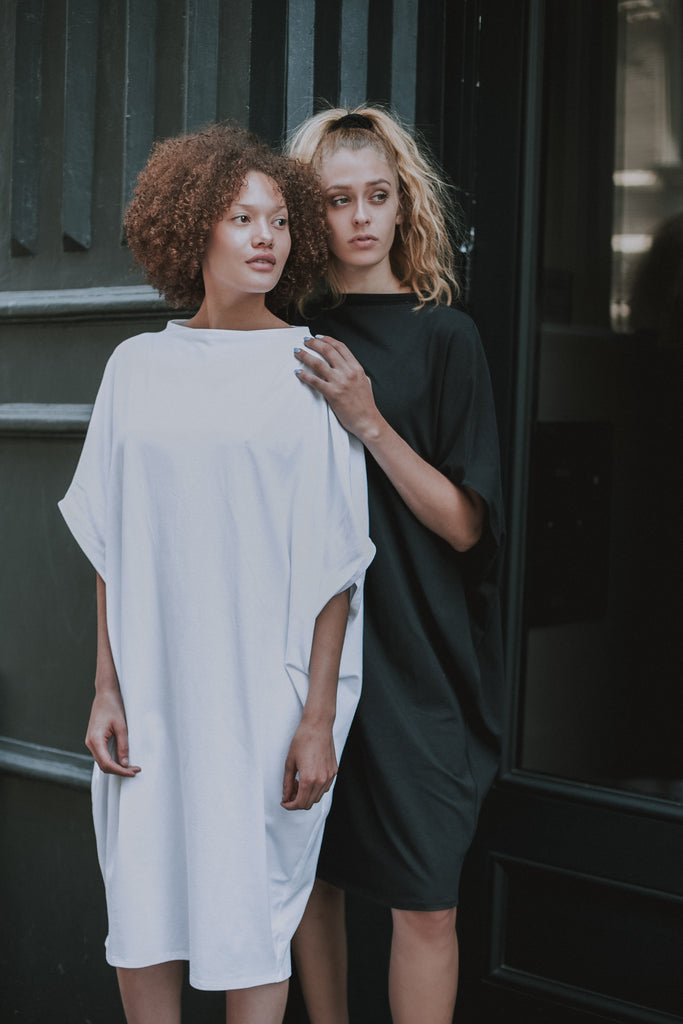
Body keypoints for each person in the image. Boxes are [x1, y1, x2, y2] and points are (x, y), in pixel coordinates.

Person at [58, 124, 374, 1024]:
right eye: (242, 218)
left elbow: (334, 567)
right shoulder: (136, 367)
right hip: (154, 694)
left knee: (254, 915)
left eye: (278, 219)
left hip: (261, 702)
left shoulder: (307, 369)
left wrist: (317, 719)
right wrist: (105, 687)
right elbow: (111, 544)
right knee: (145, 907)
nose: (266, 237)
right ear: (192, 229)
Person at [286, 107, 504, 1023]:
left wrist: (367, 420)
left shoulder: (445, 337)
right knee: (311, 883)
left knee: (426, 901)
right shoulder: (285, 338)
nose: (361, 218)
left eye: (378, 195)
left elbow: (463, 525)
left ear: (403, 202)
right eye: (338, 200)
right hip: (306, 664)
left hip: (423, 668)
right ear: (311, 213)